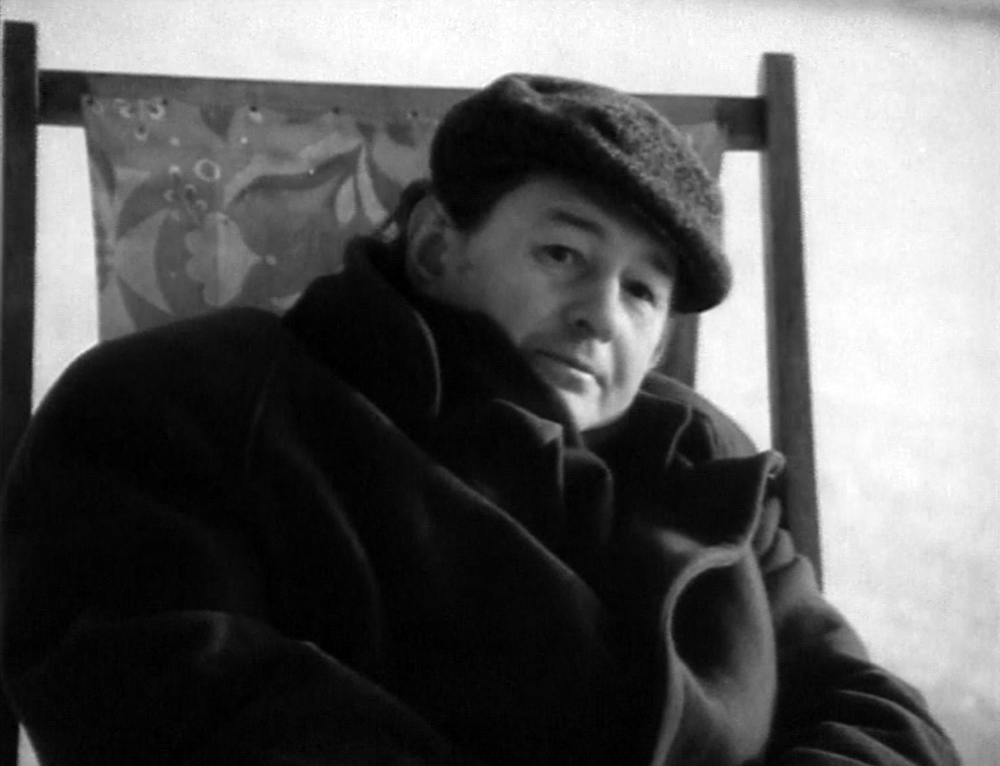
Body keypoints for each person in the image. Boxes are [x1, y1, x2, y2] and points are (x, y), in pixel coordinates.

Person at [0, 73, 959, 766]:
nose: (601, 316)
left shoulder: (702, 459)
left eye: (642, 291)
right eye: (562, 254)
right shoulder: (186, 402)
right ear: (433, 247)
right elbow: (167, 701)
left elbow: (881, 718)